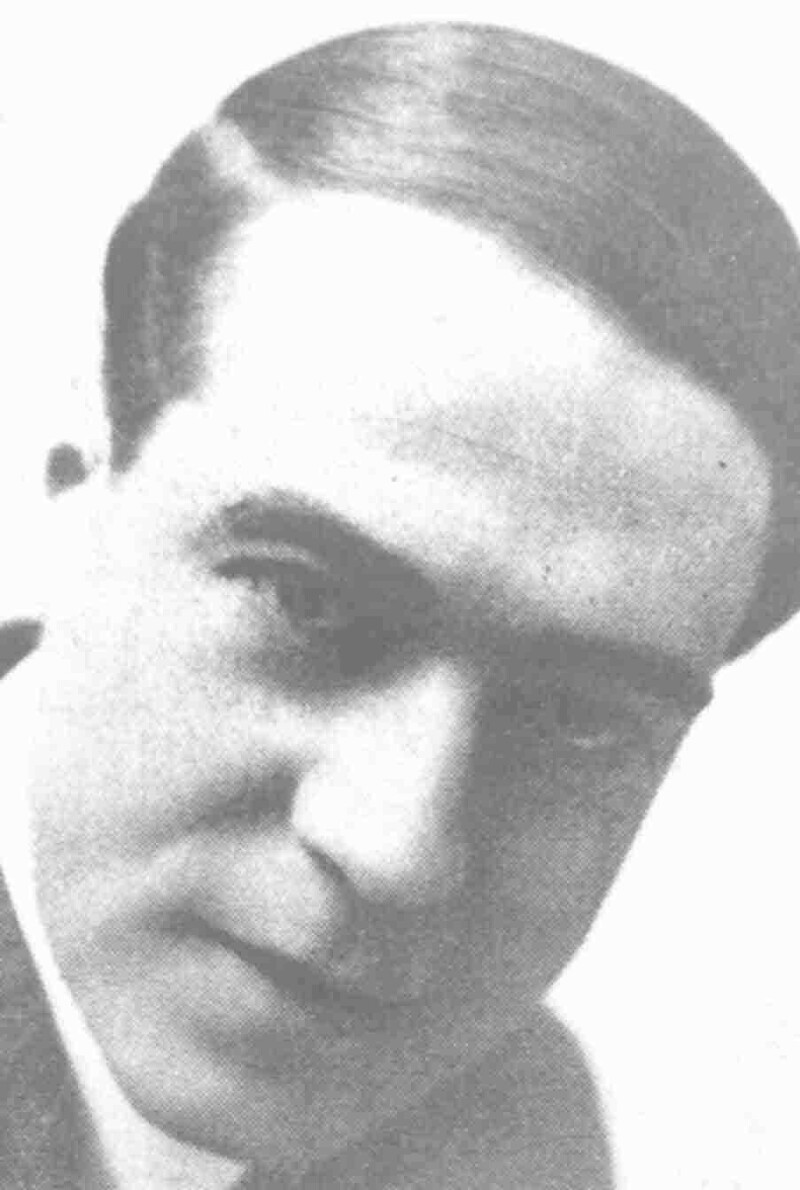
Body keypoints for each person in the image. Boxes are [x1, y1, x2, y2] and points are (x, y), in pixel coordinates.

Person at [1, 20, 799, 1189]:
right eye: (308, 603)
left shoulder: (514, 1133)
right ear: (76, 494)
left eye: (578, 721)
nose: (395, 846)